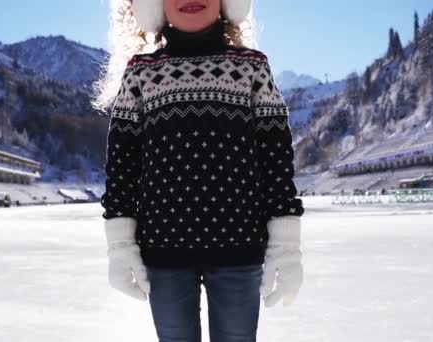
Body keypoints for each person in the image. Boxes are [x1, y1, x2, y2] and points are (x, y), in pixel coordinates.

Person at [94, 1, 305, 341]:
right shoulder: (140, 73)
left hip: (240, 248)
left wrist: (286, 246)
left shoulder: (252, 68)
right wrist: (119, 245)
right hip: (164, 254)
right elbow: (123, 165)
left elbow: (275, 160)